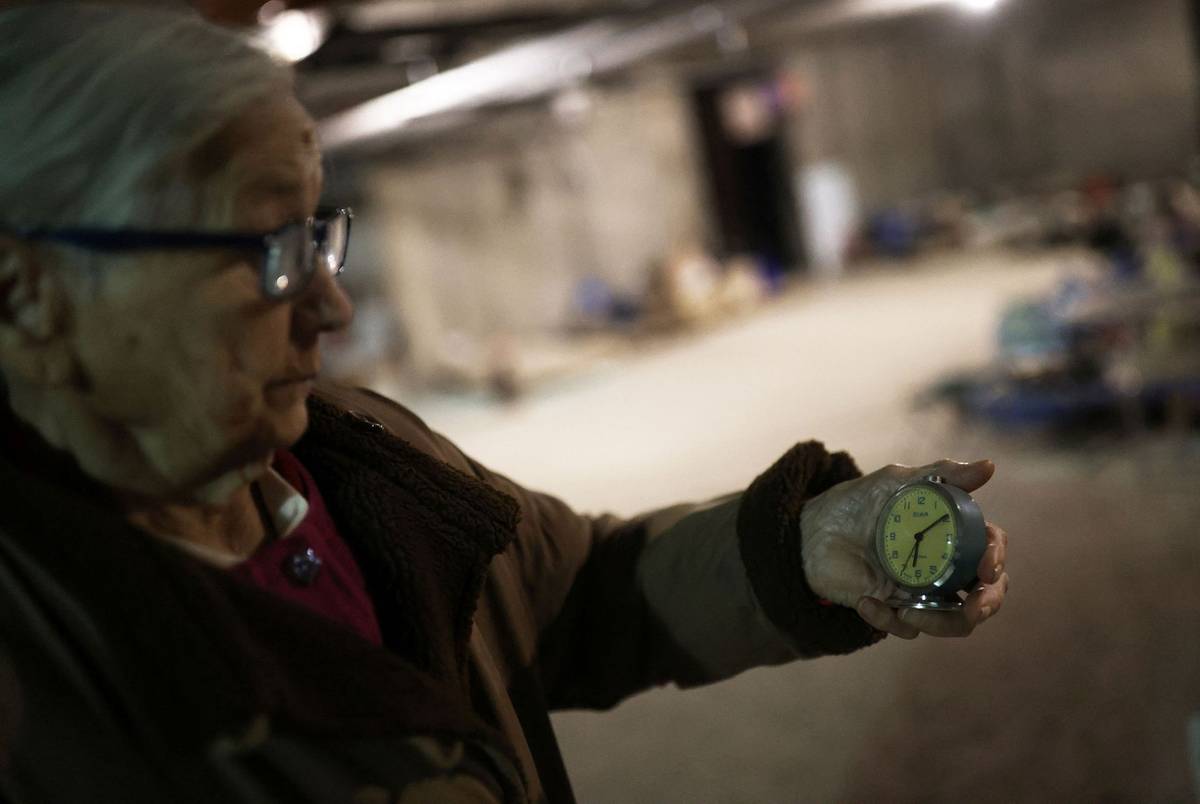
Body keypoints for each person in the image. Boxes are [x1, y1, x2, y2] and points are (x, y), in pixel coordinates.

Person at [0, 5, 1010, 802]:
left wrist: (799, 549)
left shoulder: (362, 461)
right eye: (267, 251)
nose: (332, 307)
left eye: (315, 238)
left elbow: (578, 596)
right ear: (28, 294)